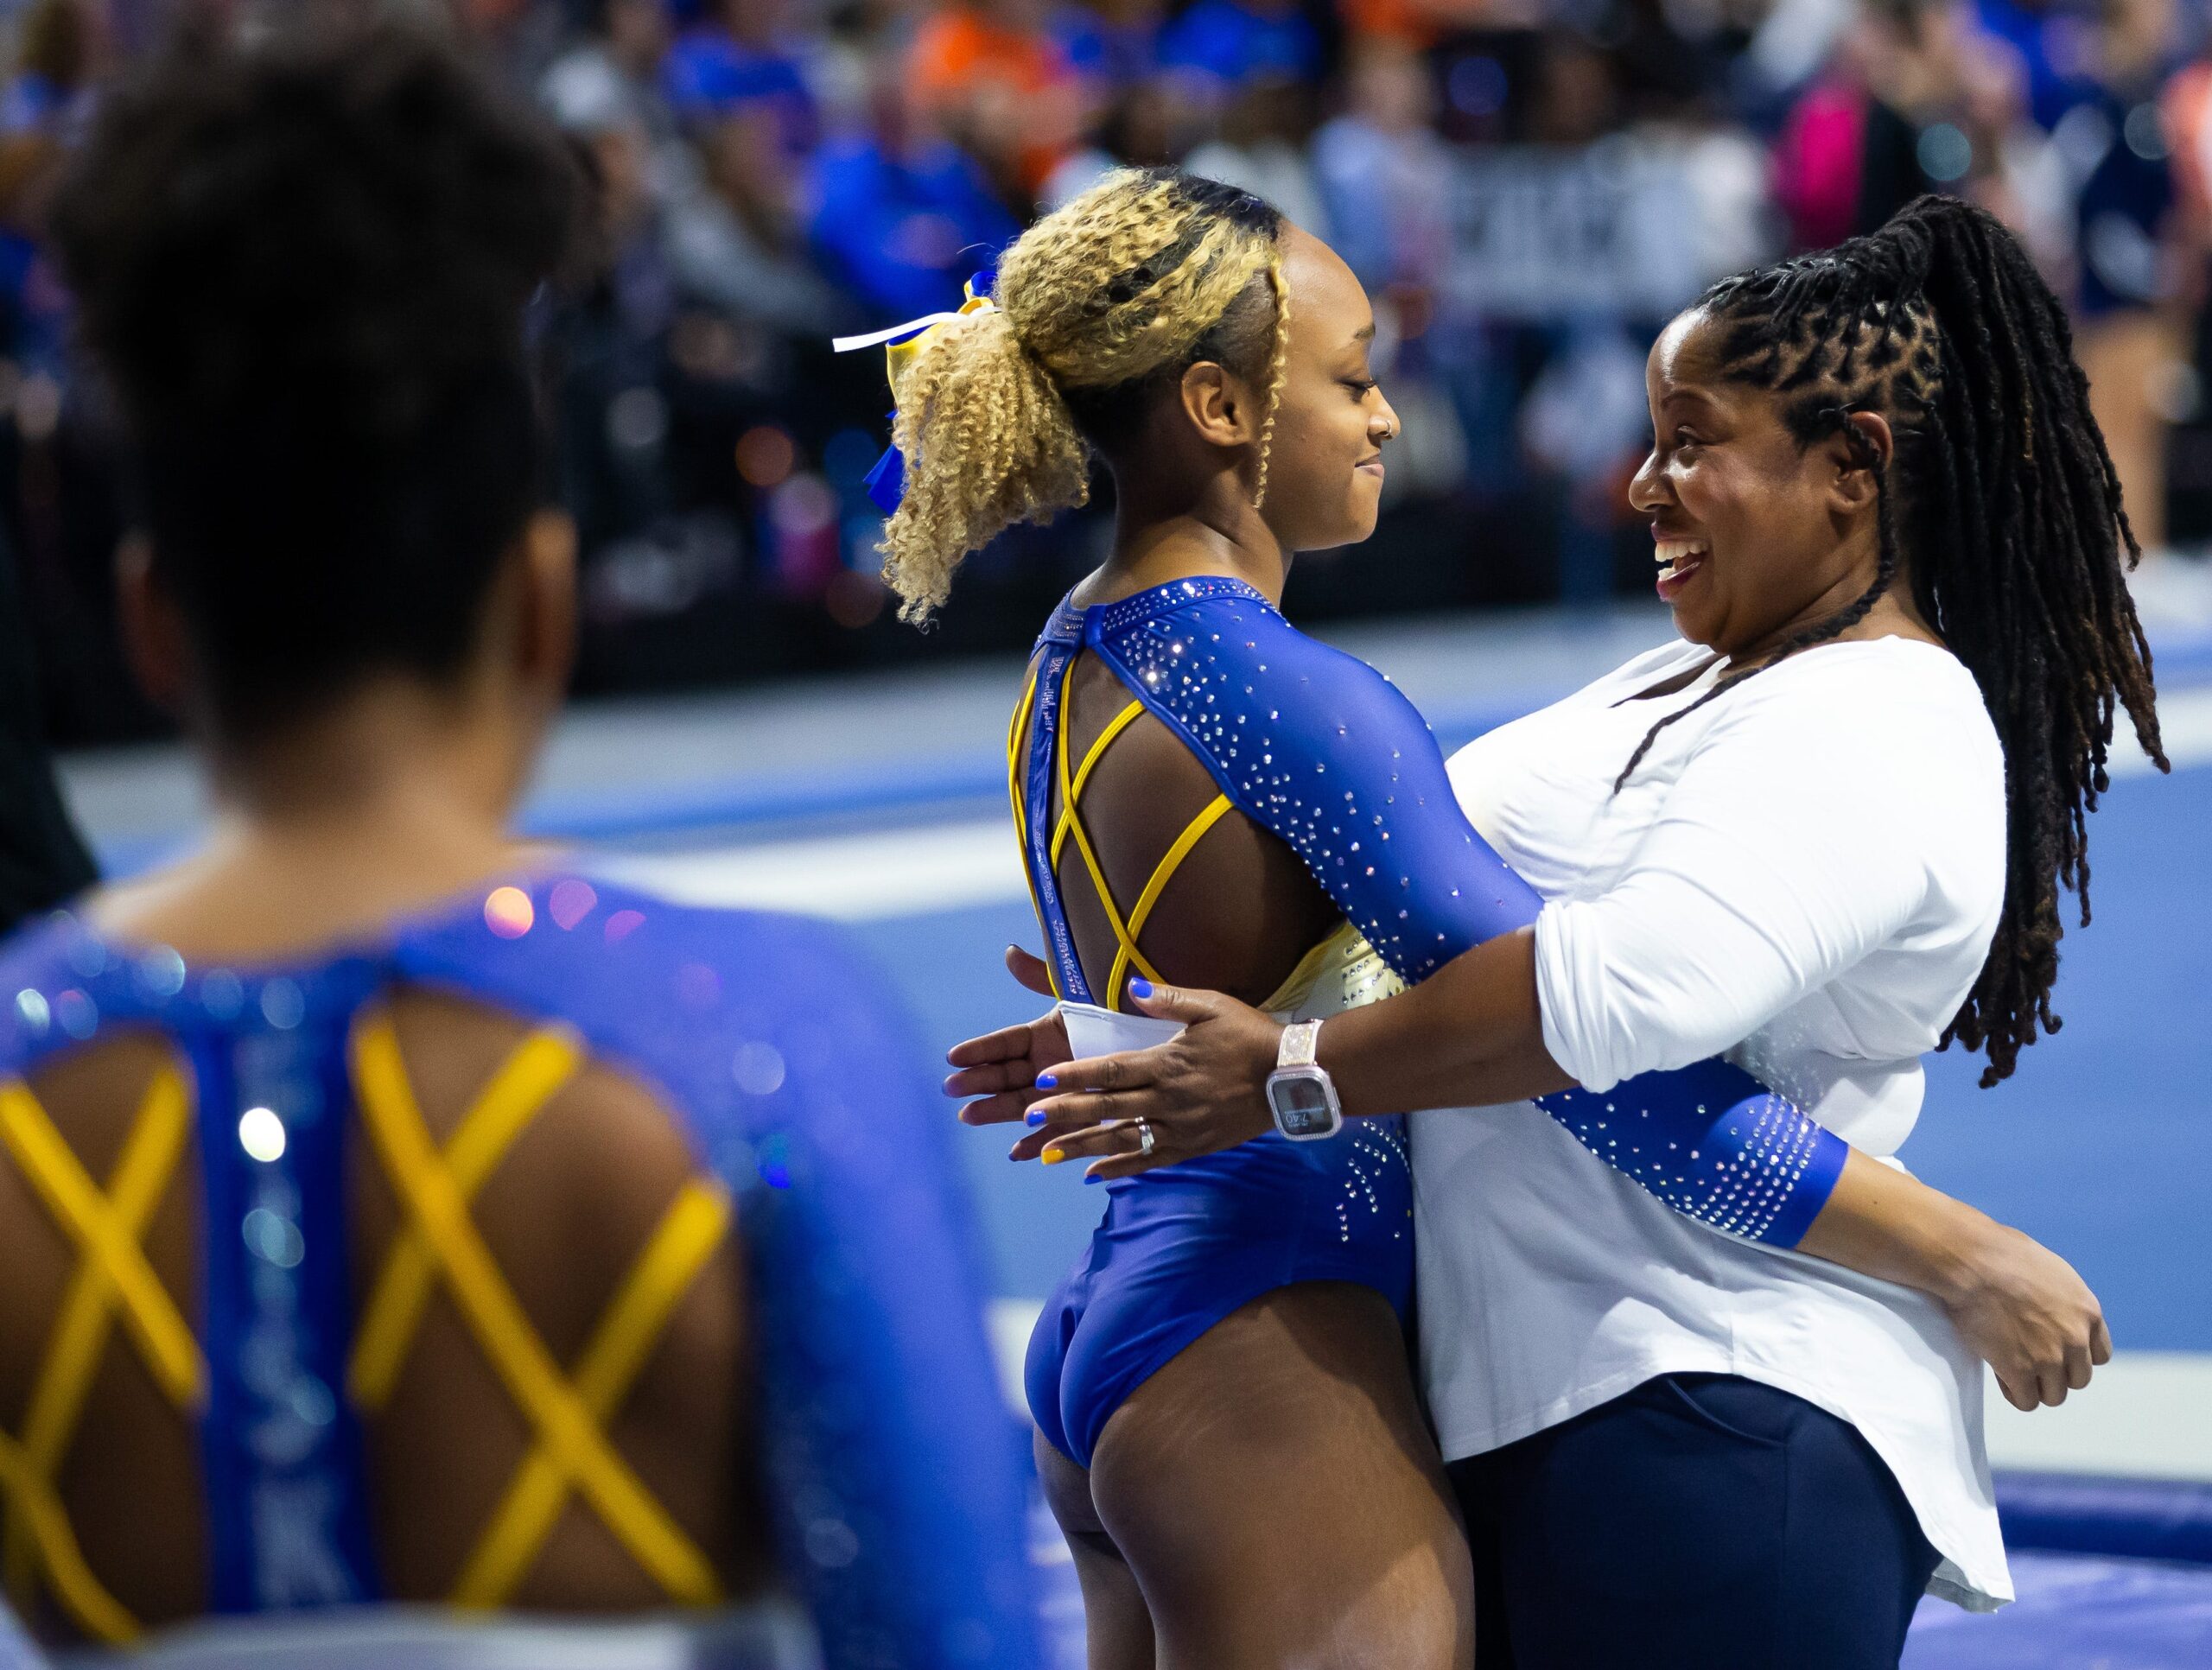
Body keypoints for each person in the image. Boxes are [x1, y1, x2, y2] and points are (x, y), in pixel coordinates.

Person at [887, 170, 2111, 1666]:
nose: (1388, 416)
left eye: (1688, 444)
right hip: (1274, 1322)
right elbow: (1589, 1049)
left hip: (1146, 1310)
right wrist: (1955, 1247)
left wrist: (1159, 1035)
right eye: (1355, 379)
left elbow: (1331, 968)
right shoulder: (1303, 691)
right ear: (1219, 407)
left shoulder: (1081, 639)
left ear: (1855, 470)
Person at [0, 25, 1040, 1667]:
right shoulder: (752, 1041)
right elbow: (946, 1635)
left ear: (150, 625)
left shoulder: (25, 1076)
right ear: (542, 600)